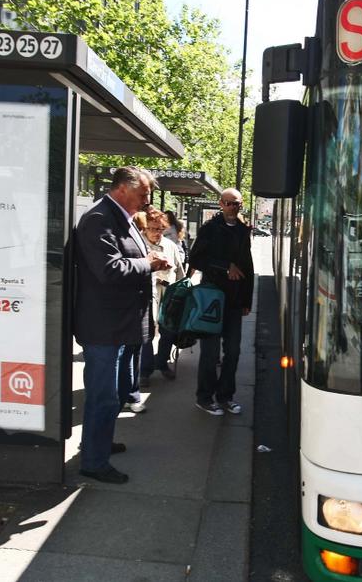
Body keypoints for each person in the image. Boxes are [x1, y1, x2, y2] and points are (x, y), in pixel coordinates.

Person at [73, 166, 169, 484]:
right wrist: (149, 263)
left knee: (111, 394)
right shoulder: (99, 218)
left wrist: (150, 260)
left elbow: (127, 260)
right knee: (103, 396)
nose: (147, 200)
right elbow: (109, 269)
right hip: (103, 327)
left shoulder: (120, 217)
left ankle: (99, 445)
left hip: (119, 324)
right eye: (143, 194)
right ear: (122, 189)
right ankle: (93, 461)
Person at [188, 188, 254, 416]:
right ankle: (204, 397)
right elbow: (195, 258)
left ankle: (226, 396)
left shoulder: (243, 231)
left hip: (235, 300)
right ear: (221, 204)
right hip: (211, 298)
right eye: (230, 203)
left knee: (233, 351)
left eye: (237, 204)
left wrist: (247, 299)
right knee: (210, 351)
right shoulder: (209, 229)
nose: (233, 208)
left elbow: (248, 266)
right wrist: (225, 266)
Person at [139, 209, 186, 387]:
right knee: (147, 333)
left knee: (168, 331)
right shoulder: (139, 244)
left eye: (160, 229)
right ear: (145, 228)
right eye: (152, 228)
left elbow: (180, 273)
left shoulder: (170, 245)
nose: (156, 233)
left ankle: (162, 363)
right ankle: (145, 370)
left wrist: (182, 293)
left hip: (169, 295)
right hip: (147, 293)